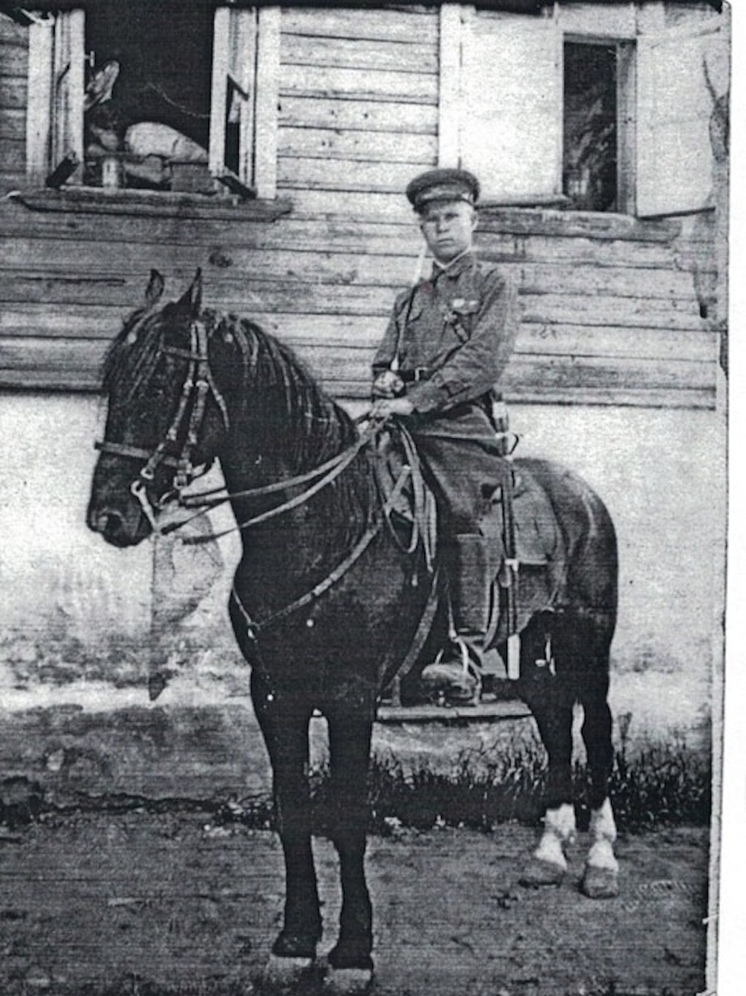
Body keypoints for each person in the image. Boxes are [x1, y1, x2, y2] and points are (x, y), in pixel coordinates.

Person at [370, 168, 519, 705]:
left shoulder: (491, 286)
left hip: (459, 427)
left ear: (472, 221)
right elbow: (384, 357)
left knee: (459, 515)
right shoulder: (410, 299)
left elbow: (482, 361)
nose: (442, 229)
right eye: (430, 221)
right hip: (403, 423)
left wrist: (419, 398)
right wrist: (384, 378)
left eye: (451, 217)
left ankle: (466, 653)